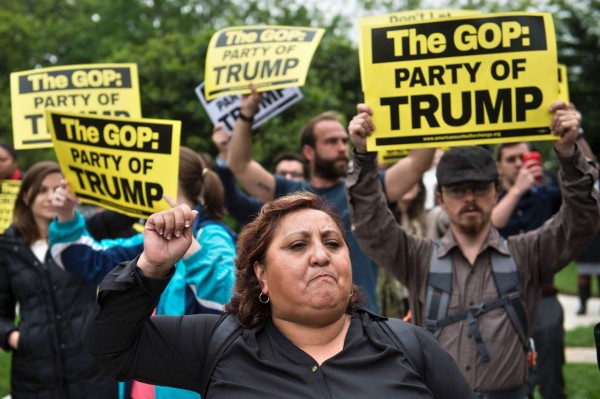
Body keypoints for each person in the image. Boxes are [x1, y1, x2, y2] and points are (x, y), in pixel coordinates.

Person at [81, 192, 475, 398]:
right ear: (261, 275)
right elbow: (109, 345)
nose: (321, 256)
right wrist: (152, 267)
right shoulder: (215, 344)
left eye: (333, 243)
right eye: (298, 246)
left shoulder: (410, 345)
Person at [346, 100, 600, 396]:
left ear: (495, 192)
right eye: (457, 190)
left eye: (479, 188)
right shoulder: (418, 257)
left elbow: (581, 222)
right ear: (441, 198)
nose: (469, 198)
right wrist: (363, 156)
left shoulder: (527, 253)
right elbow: (370, 225)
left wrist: (569, 154)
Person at [48, 147, 236, 399]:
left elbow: (235, 300)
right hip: (144, 382)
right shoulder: (154, 239)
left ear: (163, 182)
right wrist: (65, 215)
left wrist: (193, 252)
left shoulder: (211, 235)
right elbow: (89, 260)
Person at [227, 85, 434, 311]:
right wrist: (246, 114)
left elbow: (417, 164)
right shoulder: (289, 193)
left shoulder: (366, 190)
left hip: (361, 318)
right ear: (309, 152)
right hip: (304, 321)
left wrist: (422, 100)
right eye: (331, 142)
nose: (342, 148)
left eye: (344, 141)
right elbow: (240, 165)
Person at [0, 161, 117, 399]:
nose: (52, 196)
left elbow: (124, 213)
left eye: (59, 189)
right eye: (42, 190)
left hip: (90, 368)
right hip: (34, 375)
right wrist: (14, 337)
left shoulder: (85, 234)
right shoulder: (7, 248)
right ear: (26, 196)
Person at [492, 141, 567, 399]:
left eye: (523, 157)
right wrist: (517, 190)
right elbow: (490, 225)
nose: (518, 164)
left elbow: (587, 196)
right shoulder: (490, 199)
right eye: (511, 159)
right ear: (498, 166)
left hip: (543, 295)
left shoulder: (544, 196)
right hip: (500, 302)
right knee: (506, 381)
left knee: (550, 374)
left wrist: (573, 143)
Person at [212, 123, 306, 226]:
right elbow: (230, 197)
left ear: (306, 180)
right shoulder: (258, 212)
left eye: (295, 174)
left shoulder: (320, 207)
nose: (288, 178)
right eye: (282, 174)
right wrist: (226, 153)